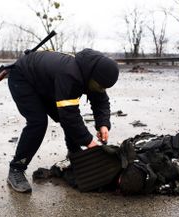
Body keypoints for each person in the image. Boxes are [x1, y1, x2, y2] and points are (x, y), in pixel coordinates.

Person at [7, 48, 119, 193]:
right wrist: (89, 142)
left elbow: (100, 100)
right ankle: (16, 168)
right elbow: (69, 116)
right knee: (38, 122)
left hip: (47, 83)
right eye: (100, 86)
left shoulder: (93, 73)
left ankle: (74, 153)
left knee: (64, 115)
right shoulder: (70, 74)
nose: (102, 89)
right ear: (92, 76)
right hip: (23, 78)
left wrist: (103, 124)